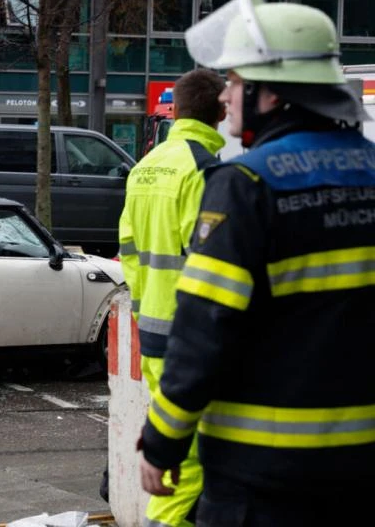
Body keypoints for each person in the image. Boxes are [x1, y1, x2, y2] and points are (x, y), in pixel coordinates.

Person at [138, 0, 375, 525]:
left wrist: (163, 439)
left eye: (239, 84)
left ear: (272, 95)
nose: (227, 99)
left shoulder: (245, 185)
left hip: (264, 475)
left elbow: (203, 328)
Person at [118, 68, 226, 527]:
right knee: (191, 462)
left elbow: (127, 248)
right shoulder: (203, 170)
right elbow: (211, 268)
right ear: (220, 112)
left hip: (155, 333)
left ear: (175, 110)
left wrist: (147, 311)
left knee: (176, 450)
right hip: (191, 342)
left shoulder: (147, 167)